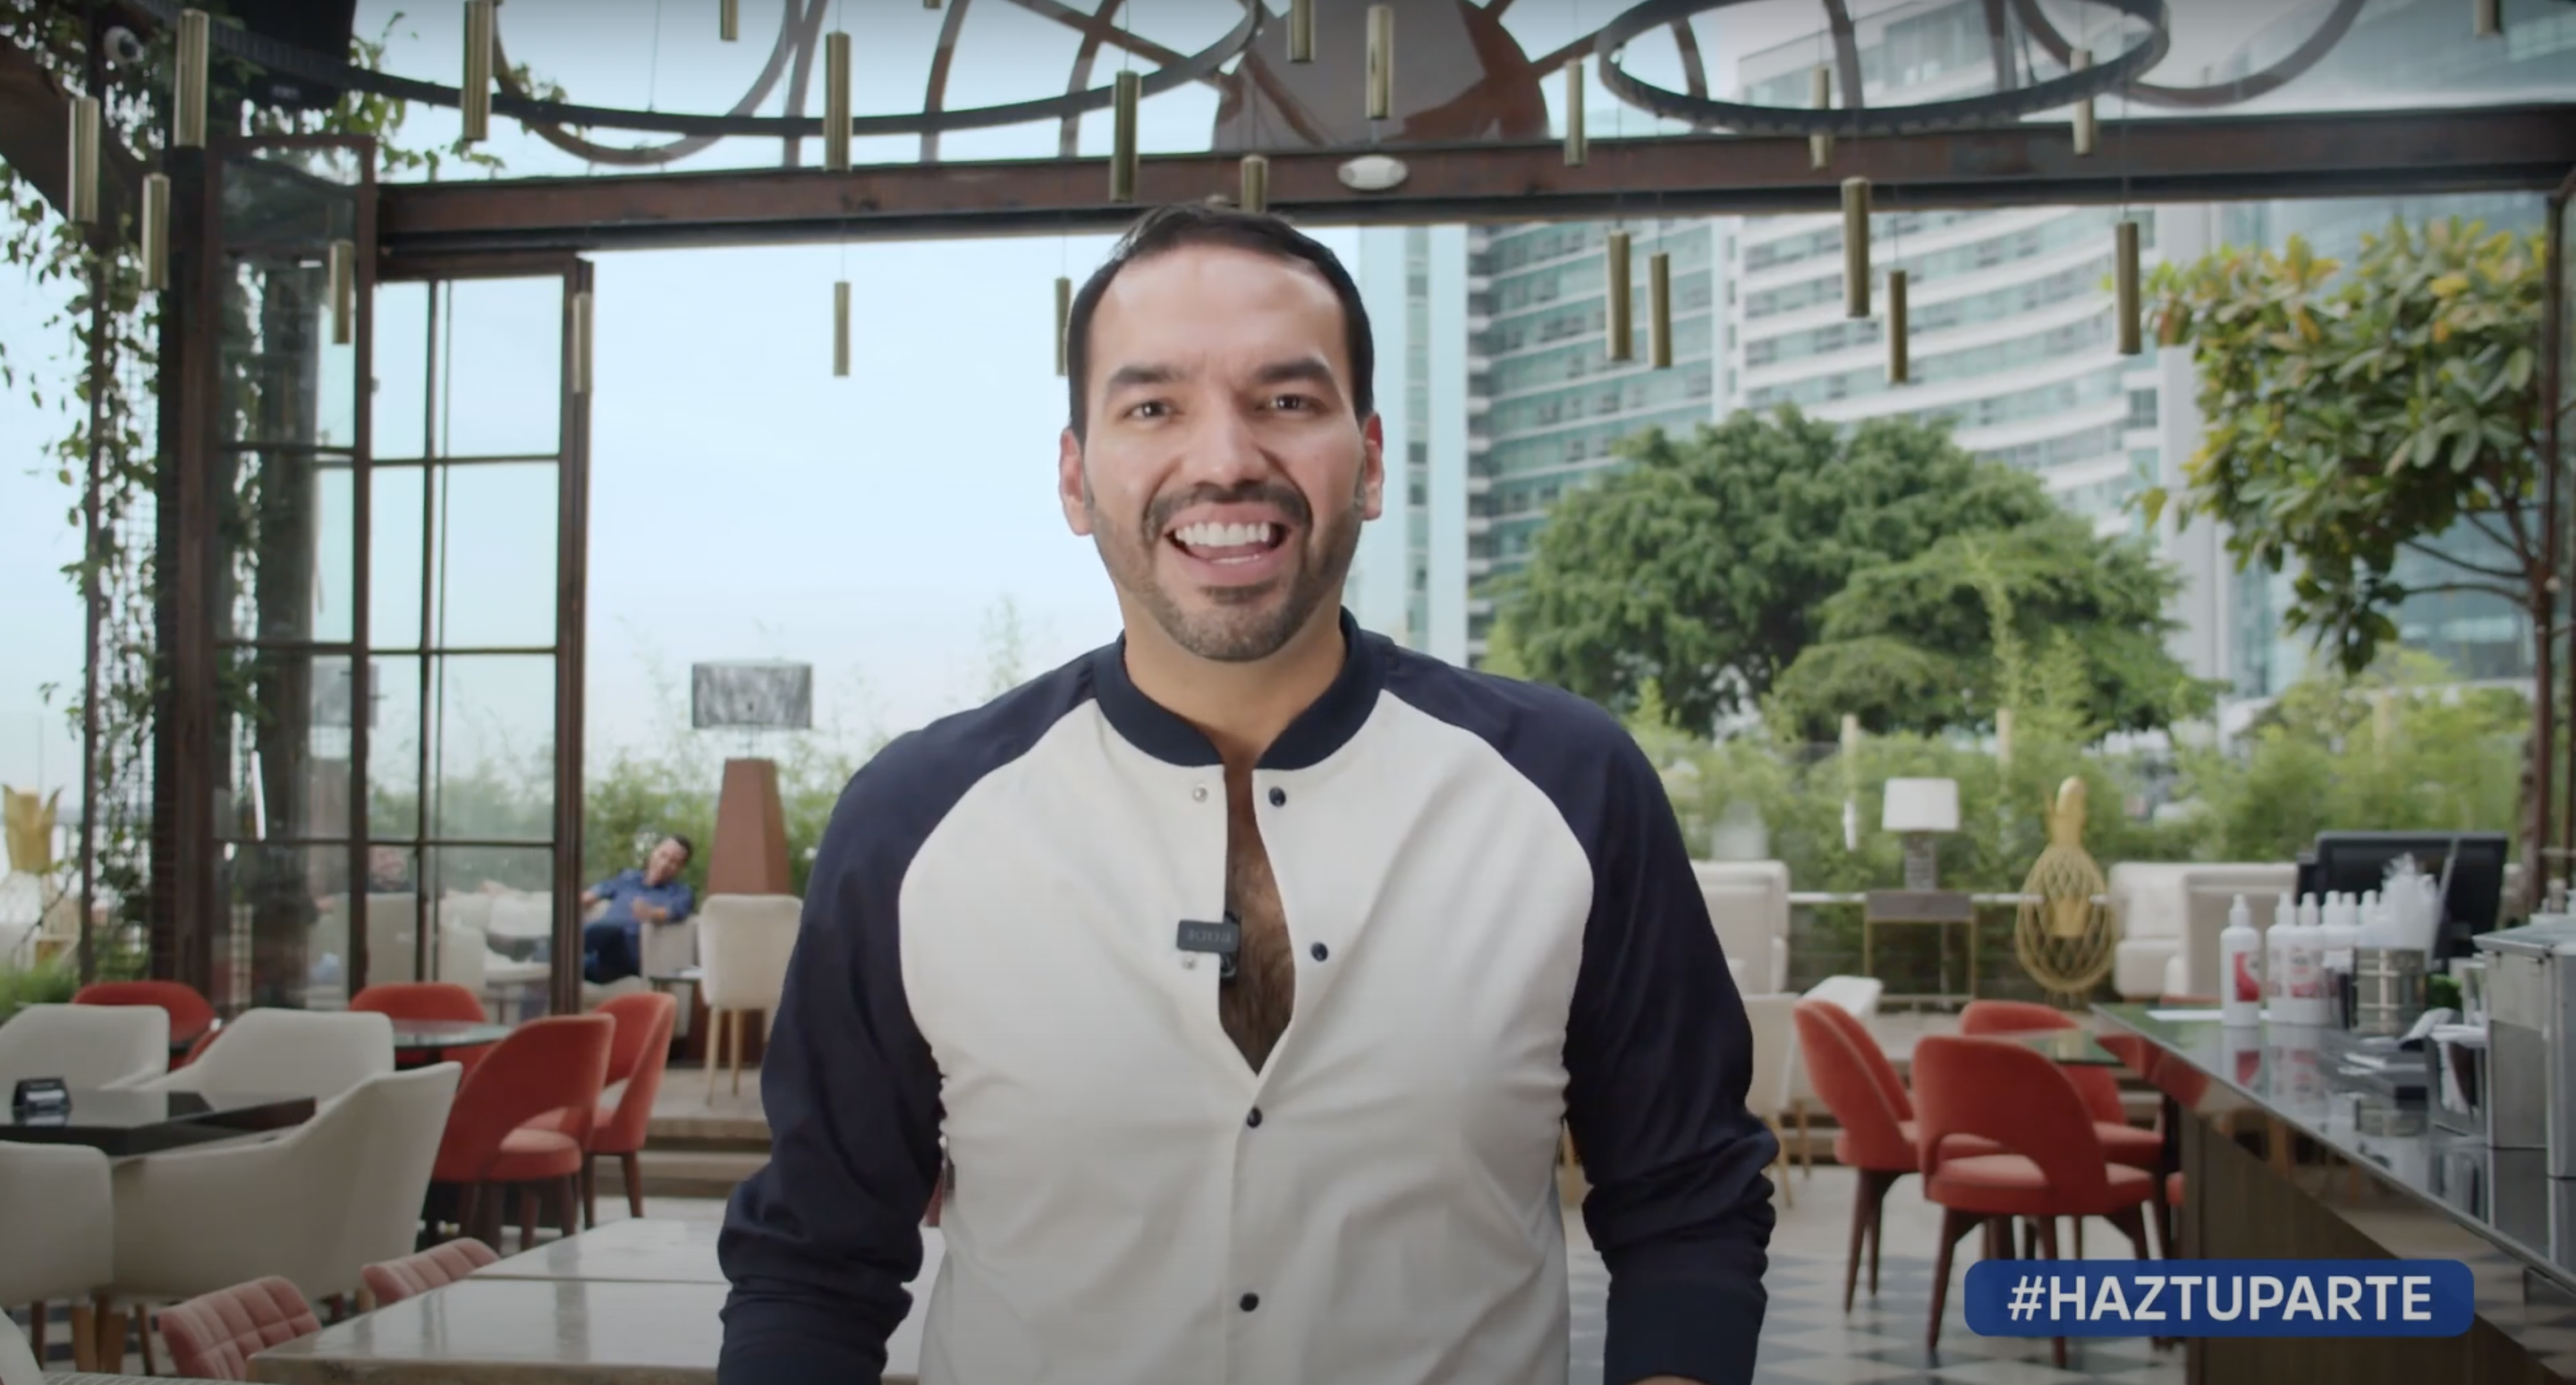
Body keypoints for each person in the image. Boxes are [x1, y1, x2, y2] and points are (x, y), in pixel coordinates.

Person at [717, 205, 1775, 1385]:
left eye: (1286, 400)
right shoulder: (915, 821)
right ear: (1075, 477)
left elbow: (1688, 1207)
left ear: (1370, 461)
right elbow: (813, 1266)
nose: (1224, 459)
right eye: (1153, 408)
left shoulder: (1573, 789)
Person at [580, 834, 695, 983]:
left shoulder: (680, 893)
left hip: (626, 956)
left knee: (615, 928)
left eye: (673, 862)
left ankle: (563, 952)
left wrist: (651, 913)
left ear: (680, 868)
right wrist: (586, 897)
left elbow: (673, 912)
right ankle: (562, 957)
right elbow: (600, 890)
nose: (664, 864)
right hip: (598, 950)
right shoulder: (628, 878)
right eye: (663, 855)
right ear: (653, 852)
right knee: (594, 939)